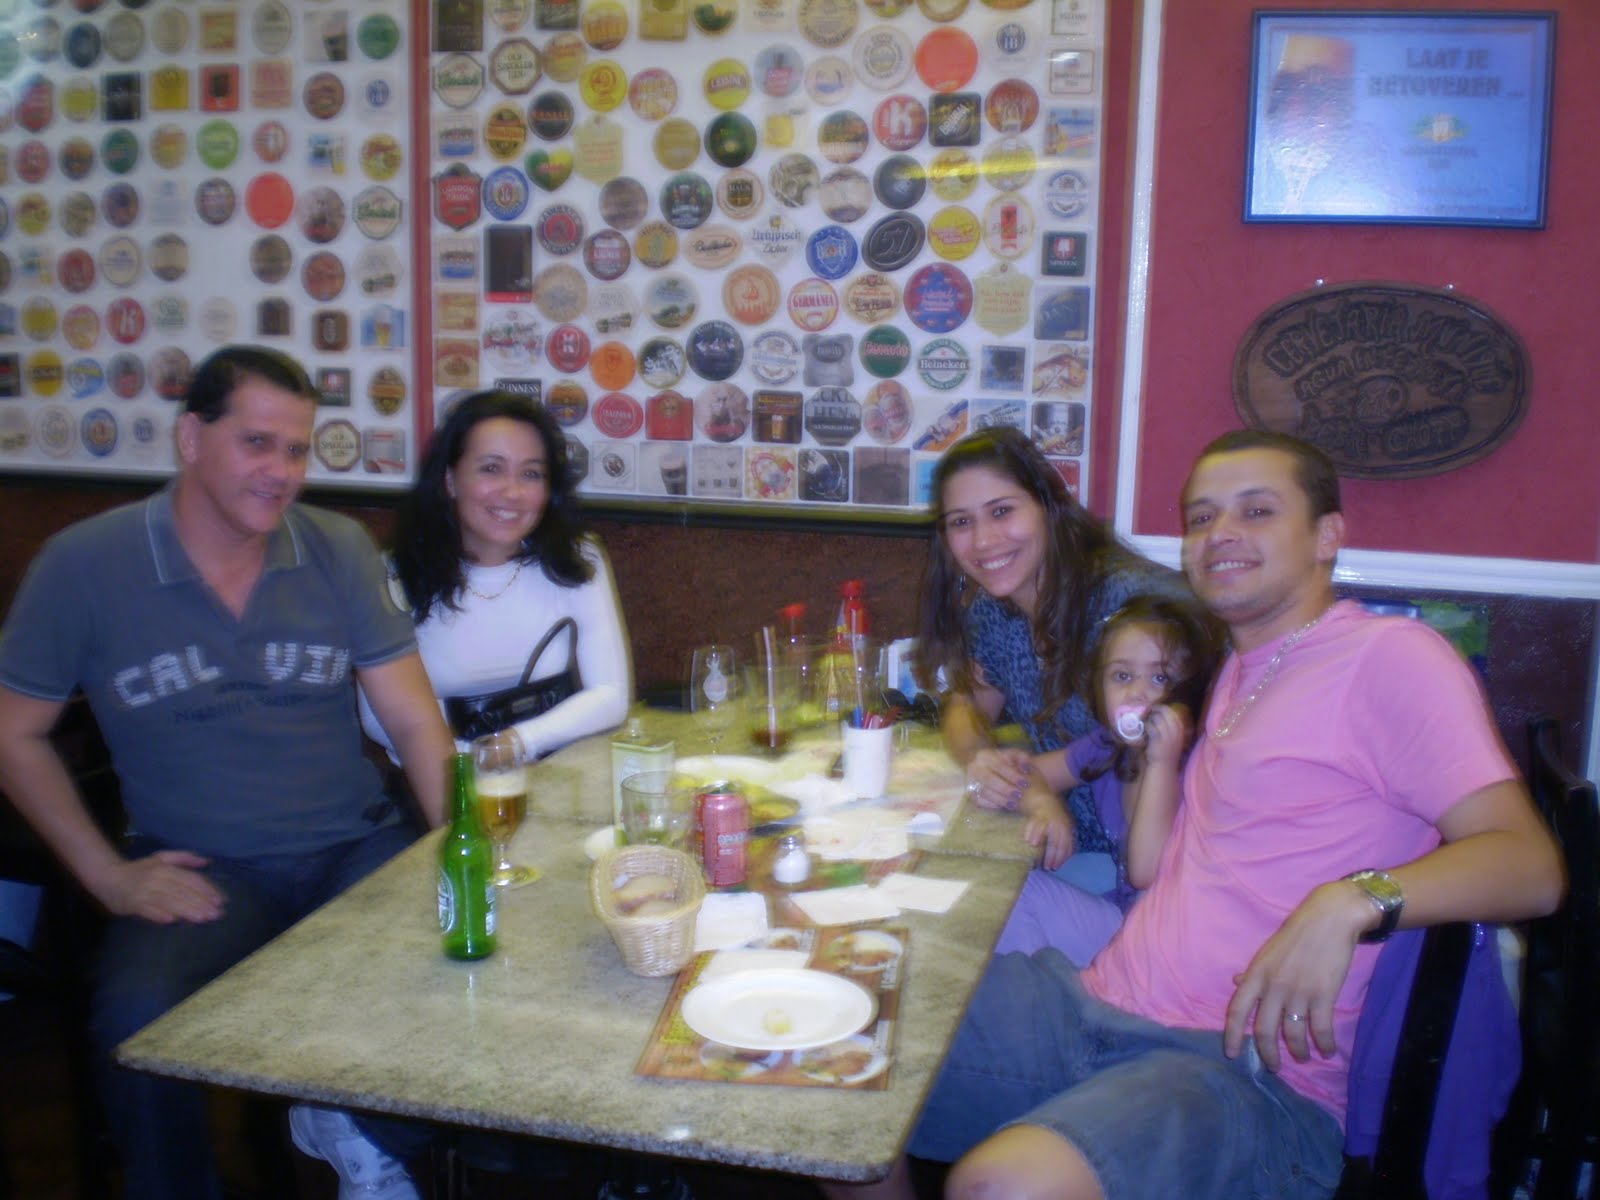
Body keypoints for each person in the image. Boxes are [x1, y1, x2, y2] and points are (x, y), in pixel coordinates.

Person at [849, 430, 1563, 1200]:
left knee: (1002, 1187)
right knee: (834, 1042)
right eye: (1201, 517)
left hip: (1243, 1068)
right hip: (1098, 999)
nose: (1221, 533)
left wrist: (1352, 900)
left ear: (1327, 535)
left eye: (1256, 511)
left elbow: (1532, 866)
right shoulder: (1239, 667)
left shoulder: (1389, 657)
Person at [0, 346, 456, 1200]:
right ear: (190, 439)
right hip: (205, 870)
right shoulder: (83, 565)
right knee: (135, 1025)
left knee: (473, 961)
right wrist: (106, 875)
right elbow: (11, 734)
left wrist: (460, 843)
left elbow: (411, 720)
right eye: (256, 443)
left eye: (296, 449)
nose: (280, 471)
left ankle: (356, 1125)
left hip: (353, 849)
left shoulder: (337, 547)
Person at [912, 426, 1198, 961]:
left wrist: (1028, 787)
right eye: (961, 522)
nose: (983, 540)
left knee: (963, 908)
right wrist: (984, 763)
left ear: (1047, 505)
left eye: (1002, 511)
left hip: (1160, 880)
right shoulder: (993, 612)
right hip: (1084, 854)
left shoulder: (1126, 606)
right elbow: (967, 704)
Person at [357, 389, 632, 764]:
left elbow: (611, 695)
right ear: (450, 480)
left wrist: (515, 743)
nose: (513, 492)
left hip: (557, 772)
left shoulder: (577, 558)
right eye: (491, 468)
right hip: (442, 774)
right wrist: (471, 760)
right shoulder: (390, 575)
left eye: (531, 474)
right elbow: (379, 720)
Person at [993, 594, 1222, 957]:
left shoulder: (1183, 767)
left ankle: (1047, 985)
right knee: (1007, 884)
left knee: (1015, 897)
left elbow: (1144, 872)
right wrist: (1041, 801)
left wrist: (1161, 764)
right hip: (1124, 912)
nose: (1137, 692)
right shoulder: (1107, 745)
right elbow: (1030, 772)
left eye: (1160, 677)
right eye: (1122, 676)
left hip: (1161, 942)